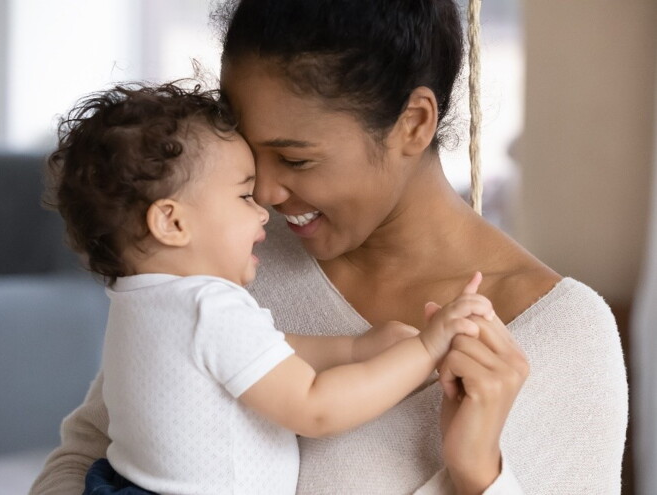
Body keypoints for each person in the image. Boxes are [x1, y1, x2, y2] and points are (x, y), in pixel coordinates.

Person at [32, 0, 628, 493]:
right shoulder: (222, 258)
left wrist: (478, 476)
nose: (264, 191)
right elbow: (83, 459)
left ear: (415, 124)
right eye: (248, 151)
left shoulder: (560, 335)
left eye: (295, 157)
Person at [42, 82, 495, 495]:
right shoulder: (207, 305)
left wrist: (357, 349)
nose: (263, 209)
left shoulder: (141, 300)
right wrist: (426, 351)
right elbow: (316, 408)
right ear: (172, 221)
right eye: (243, 195)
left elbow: (265, 352)